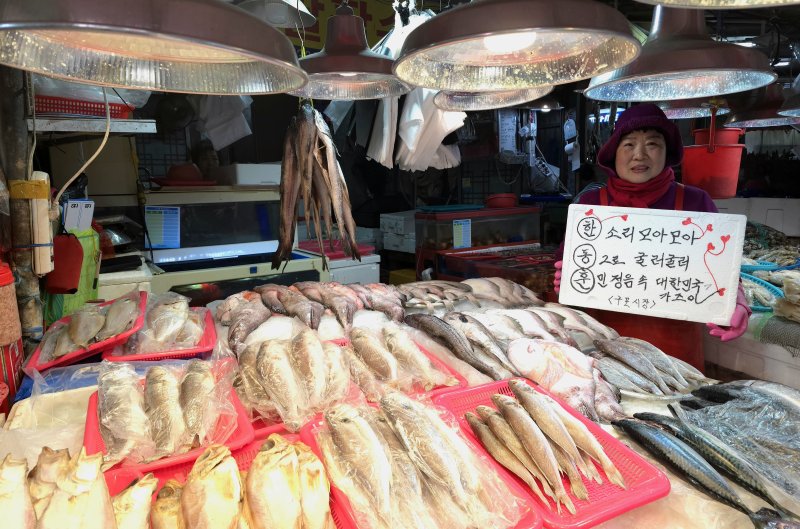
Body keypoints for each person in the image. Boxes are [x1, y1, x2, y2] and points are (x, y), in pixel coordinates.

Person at [553, 104, 750, 371]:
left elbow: (723, 269)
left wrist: (736, 300)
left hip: (675, 351)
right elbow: (568, 267)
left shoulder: (695, 201)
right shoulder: (591, 205)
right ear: (614, 153)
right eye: (629, 144)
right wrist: (565, 277)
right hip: (603, 347)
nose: (639, 155)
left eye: (652, 144)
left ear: (667, 152)